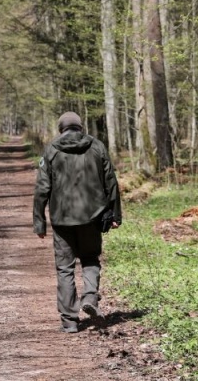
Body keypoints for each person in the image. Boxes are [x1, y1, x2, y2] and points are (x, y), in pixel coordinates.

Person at [33, 111, 122, 333]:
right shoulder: (97, 146)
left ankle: (69, 321)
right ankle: (90, 296)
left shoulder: (52, 149)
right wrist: (115, 214)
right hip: (93, 217)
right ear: (80, 127)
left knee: (65, 268)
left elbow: (42, 188)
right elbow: (111, 181)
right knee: (90, 258)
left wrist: (39, 222)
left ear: (61, 128)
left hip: (62, 220)